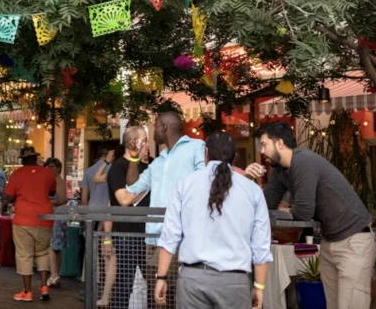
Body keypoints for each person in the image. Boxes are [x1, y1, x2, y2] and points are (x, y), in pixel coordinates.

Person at [257, 121, 376, 309]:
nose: (262, 151)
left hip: (354, 240)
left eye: (264, 144)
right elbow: (262, 207)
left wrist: (284, 212)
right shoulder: (279, 171)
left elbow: (304, 211)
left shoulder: (303, 161)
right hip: (329, 241)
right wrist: (246, 181)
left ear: (279, 143)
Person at [156, 132, 272, 309]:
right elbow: (261, 245)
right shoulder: (253, 191)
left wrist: (161, 277)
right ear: (235, 157)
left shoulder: (185, 184)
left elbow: (169, 236)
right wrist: (259, 286)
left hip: (192, 281)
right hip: (235, 283)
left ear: (206, 153)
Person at [112, 112, 206, 249]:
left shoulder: (196, 147)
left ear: (164, 127)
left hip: (187, 234)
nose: (153, 133)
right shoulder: (157, 163)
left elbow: (205, 181)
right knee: (160, 272)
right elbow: (132, 187)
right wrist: (134, 158)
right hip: (159, 237)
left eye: (155, 127)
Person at [107, 128, 153, 309]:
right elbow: (123, 200)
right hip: (127, 234)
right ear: (133, 143)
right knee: (125, 282)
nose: (148, 145)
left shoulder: (149, 166)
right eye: (145, 140)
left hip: (149, 234)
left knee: (153, 281)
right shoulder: (118, 167)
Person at [6, 145, 58, 301]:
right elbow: (52, 192)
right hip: (45, 218)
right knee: (42, 252)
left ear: (23, 160)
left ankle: (27, 292)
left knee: (24, 254)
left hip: (24, 219)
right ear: (36, 158)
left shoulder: (17, 174)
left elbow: (9, 197)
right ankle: (44, 287)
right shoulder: (48, 172)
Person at [81, 147, 117, 306]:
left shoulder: (89, 171)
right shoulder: (115, 169)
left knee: (92, 256)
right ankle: (107, 292)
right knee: (109, 257)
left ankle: (90, 289)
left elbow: (83, 199)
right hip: (109, 216)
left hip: (93, 216)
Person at [43, 157, 70, 287]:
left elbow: (61, 199)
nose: (50, 169)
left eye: (52, 166)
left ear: (59, 168)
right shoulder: (48, 181)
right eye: (48, 166)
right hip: (52, 215)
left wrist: (45, 201)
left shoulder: (60, 181)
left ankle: (54, 275)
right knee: (55, 247)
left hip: (56, 216)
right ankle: (55, 274)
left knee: (53, 246)